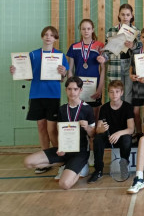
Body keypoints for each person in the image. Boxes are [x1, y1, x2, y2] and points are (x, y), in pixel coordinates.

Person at [10, 26, 69, 174]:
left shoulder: (60, 55)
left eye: (51, 35)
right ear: (42, 37)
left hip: (53, 95)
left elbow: (62, 79)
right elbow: (28, 76)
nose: (48, 37)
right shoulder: (33, 54)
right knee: (41, 127)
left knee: (52, 129)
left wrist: (63, 73)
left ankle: (60, 159)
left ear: (55, 38)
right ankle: (46, 161)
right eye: (46, 34)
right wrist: (17, 71)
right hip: (36, 95)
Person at [24, 77, 95, 190]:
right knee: (28, 162)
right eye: (69, 89)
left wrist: (87, 127)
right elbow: (61, 132)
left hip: (80, 152)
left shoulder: (87, 109)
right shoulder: (62, 109)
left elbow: (93, 135)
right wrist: (61, 148)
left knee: (64, 184)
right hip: (65, 150)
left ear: (80, 90)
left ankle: (80, 168)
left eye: (75, 89)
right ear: (66, 90)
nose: (72, 92)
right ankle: (64, 163)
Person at [67, 18, 105, 166]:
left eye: (89, 28)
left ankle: (93, 153)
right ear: (80, 30)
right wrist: (73, 88)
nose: (86, 31)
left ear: (93, 29)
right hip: (79, 90)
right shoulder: (74, 47)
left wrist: (100, 88)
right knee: (78, 119)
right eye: (83, 28)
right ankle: (80, 153)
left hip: (93, 89)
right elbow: (70, 69)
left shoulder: (99, 46)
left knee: (93, 121)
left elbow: (103, 70)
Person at [88, 80, 134, 183]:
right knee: (98, 139)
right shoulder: (104, 108)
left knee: (127, 139)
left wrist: (118, 133)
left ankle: (124, 166)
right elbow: (98, 129)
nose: (114, 94)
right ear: (108, 93)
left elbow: (131, 129)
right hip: (108, 137)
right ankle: (98, 169)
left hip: (121, 137)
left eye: (117, 91)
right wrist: (102, 129)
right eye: (111, 92)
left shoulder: (127, 107)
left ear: (122, 93)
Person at [97, 3, 141, 104]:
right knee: (115, 93)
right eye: (123, 14)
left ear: (131, 16)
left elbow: (140, 49)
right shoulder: (112, 31)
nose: (125, 17)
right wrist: (104, 58)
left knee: (128, 93)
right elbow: (107, 50)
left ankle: (127, 114)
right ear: (119, 15)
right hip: (115, 64)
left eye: (128, 14)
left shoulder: (137, 31)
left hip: (130, 65)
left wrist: (133, 46)